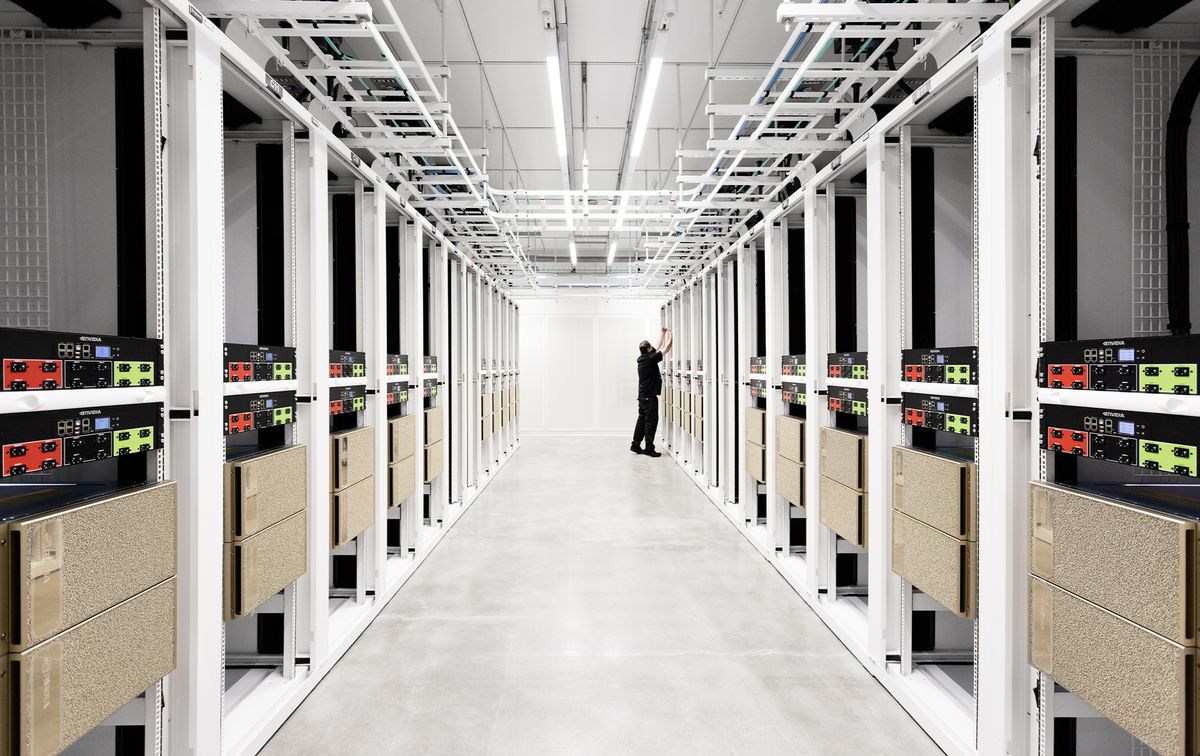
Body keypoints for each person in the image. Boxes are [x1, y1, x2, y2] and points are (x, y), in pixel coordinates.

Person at [631, 326, 672, 457]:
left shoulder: (643, 358)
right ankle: (649, 448)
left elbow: (657, 345)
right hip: (649, 398)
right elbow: (666, 348)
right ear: (648, 349)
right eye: (650, 347)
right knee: (651, 422)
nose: (652, 348)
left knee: (641, 420)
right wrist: (671, 336)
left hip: (642, 397)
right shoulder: (650, 359)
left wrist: (663, 332)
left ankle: (635, 445)